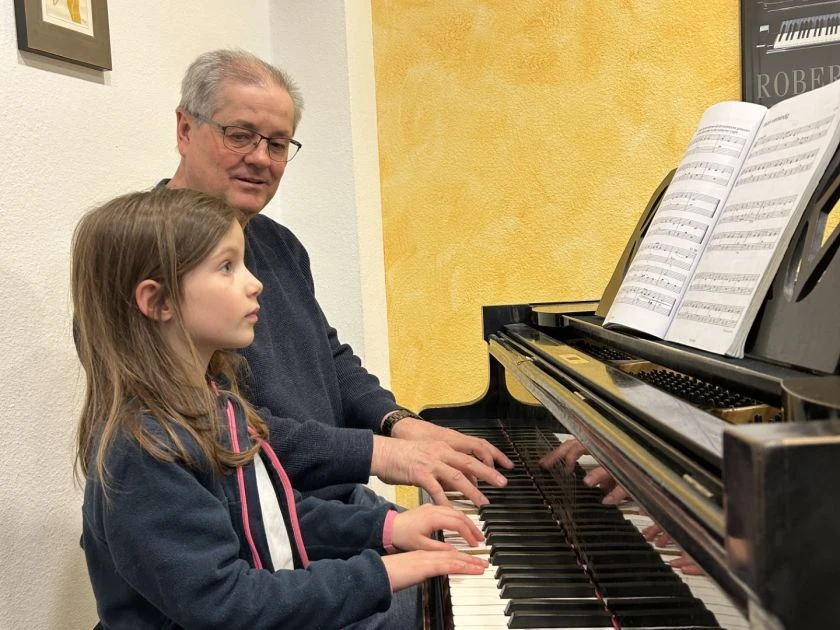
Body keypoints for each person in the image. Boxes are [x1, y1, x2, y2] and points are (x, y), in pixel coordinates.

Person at [72, 187, 489, 629]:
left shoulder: (218, 405)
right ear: (158, 302)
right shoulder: (144, 453)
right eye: (227, 267)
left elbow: (269, 523)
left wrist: (386, 530)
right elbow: (229, 605)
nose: (256, 283)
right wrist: (383, 572)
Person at [161, 48, 514, 508]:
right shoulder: (141, 253)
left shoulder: (279, 244)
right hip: (263, 524)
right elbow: (211, 429)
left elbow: (328, 358)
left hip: (333, 501)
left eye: (278, 144)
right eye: (241, 135)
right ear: (186, 129)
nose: (261, 158)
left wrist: (398, 423)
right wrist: (378, 453)